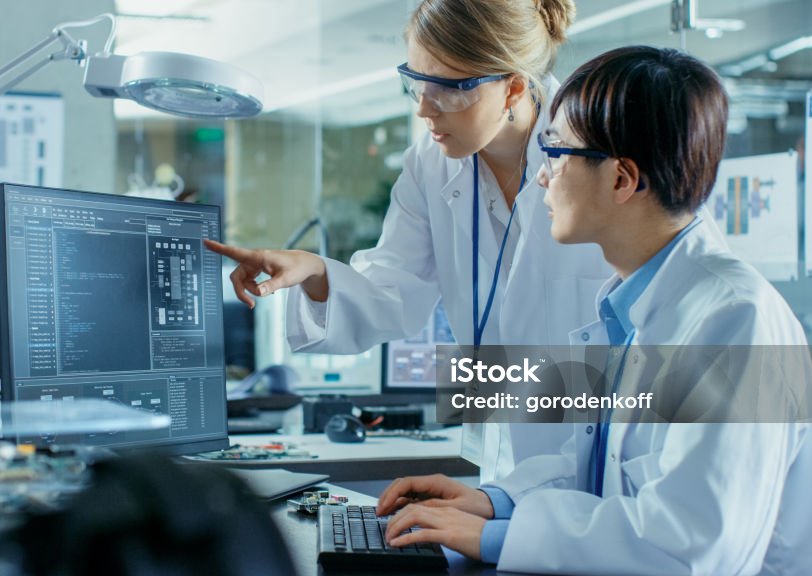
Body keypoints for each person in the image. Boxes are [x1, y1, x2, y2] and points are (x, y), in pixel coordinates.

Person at [378, 46, 812, 573]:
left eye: (558, 152)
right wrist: (495, 503)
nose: (542, 178)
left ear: (621, 179)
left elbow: (688, 546)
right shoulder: (636, 303)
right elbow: (603, 466)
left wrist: (496, 538)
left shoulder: (734, 322)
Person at [206, 0, 614, 481]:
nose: (423, 108)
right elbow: (394, 291)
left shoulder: (599, 148)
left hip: (605, 443)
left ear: (514, 87)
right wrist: (314, 272)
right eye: (416, 82)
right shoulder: (430, 164)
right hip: (506, 457)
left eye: (448, 89)